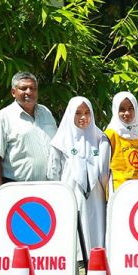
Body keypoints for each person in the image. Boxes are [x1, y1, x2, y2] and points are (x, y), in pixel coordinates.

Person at [48, 97, 111, 258]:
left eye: (87, 113)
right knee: (74, 235)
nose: (83, 117)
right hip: (71, 194)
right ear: (70, 114)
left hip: (96, 197)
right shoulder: (60, 141)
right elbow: (53, 173)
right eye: (78, 113)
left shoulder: (100, 138)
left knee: (96, 233)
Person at [0, 71, 57, 188]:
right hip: (18, 188)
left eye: (32, 88)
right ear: (13, 92)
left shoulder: (46, 112)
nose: (29, 92)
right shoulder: (3, 117)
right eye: (23, 88)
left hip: (49, 186)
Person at [104, 91, 138, 192]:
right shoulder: (110, 135)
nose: (127, 113)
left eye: (131, 109)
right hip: (118, 189)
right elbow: (103, 169)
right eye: (122, 109)